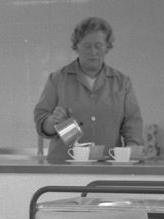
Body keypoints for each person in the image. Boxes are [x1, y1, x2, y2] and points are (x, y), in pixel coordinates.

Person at [33, 16, 143, 162]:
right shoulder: (57, 79)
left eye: (98, 45)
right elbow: (42, 122)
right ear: (76, 46)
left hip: (108, 169)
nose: (93, 52)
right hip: (63, 168)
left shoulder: (122, 82)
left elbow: (132, 124)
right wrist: (53, 121)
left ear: (107, 47)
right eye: (87, 46)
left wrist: (131, 152)